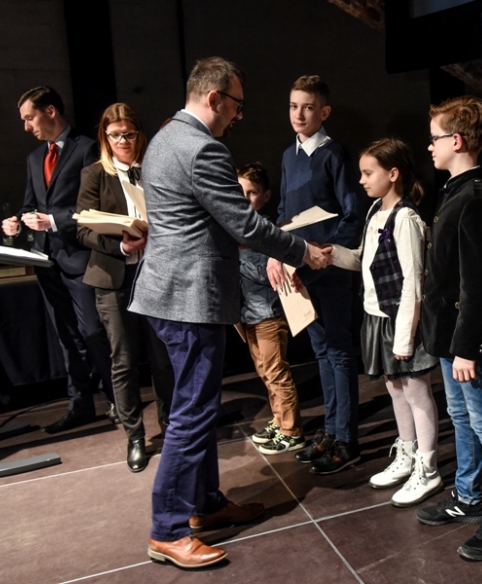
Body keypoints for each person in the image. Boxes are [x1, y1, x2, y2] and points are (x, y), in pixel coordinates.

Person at [127, 56, 331, 569]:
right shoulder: (203, 148)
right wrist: (302, 251)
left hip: (170, 293)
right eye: (236, 105)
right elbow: (245, 224)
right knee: (193, 412)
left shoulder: (165, 138)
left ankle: (205, 504)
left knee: (196, 407)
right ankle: (168, 528)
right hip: (189, 298)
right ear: (214, 98)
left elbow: (193, 219)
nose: (238, 116)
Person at [414, 96, 482, 563]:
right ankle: (468, 493)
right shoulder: (455, 190)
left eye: (434, 138)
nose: (430, 146)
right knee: (461, 416)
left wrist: (467, 347)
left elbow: (477, 284)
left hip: (464, 339)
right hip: (448, 334)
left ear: (456, 141)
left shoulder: (474, 198)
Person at [329, 138, 440, 507]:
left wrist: (405, 337)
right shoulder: (376, 210)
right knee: (395, 388)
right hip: (377, 317)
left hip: (400, 320)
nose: (361, 180)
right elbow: (365, 259)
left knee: (416, 391)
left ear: (393, 174)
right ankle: (407, 453)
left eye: (368, 173)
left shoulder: (405, 219)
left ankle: (428, 466)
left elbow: (413, 281)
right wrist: (331, 255)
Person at [1, 86, 116, 434]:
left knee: (93, 331)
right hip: (47, 260)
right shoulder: (34, 158)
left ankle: (117, 398)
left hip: (81, 258)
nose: (26, 127)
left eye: (30, 118)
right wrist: (17, 220)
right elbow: (31, 204)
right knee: (67, 338)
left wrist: (52, 221)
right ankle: (80, 404)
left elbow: (96, 206)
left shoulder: (87, 148)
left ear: (50, 111)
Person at [267, 75, 364, 475]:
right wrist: (276, 253)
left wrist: (328, 254)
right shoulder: (288, 156)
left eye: (308, 107)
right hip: (300, 271)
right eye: (293, 106)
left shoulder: (334, 154)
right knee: (322, 351)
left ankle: (347, 439)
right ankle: (331, 430)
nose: (299, 114)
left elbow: (352, 213)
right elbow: (283, 214)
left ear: (324, 112)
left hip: (329, 270)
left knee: (339, 352)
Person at [75, 103, 174, 473]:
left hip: (154, 275)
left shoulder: (153, 169)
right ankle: (134, 436)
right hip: (114, 278)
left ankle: (170, 427)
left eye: (129, 134)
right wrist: (121, 245)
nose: (123, 141)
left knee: (162, 359)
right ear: (105, 137)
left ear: (139, 134)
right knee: (124, 360)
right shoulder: (94, 174)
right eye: (115, 135)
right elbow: (83, 230)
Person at [237, 162, 305, 455]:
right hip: (248, 315)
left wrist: (237, 255)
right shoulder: (238, 229)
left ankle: (292, 431)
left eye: (252, 193)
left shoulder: (267, 232)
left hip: (269, 314)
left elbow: (270, 274)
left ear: (265, 196)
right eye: (240, 192)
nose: (245, 199)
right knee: (265, 372)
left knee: (276, 372)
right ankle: (279, 421)